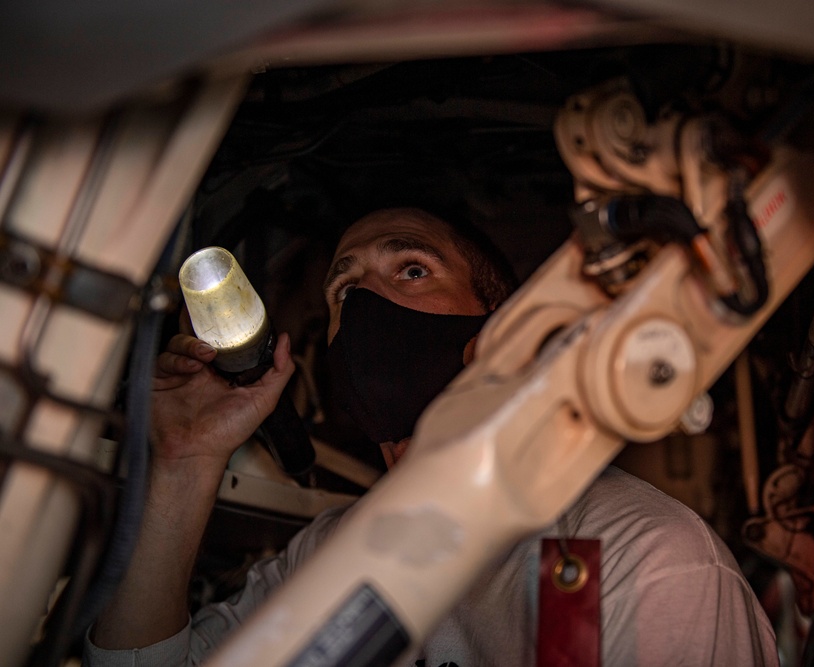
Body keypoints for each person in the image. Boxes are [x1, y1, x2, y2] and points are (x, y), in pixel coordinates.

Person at [84, 207, 778, 666]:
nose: (363, 307)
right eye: (343, 292)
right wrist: (183, 459)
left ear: (502, 328)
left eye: (410, 270)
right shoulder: (329, 556)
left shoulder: (648, 559)